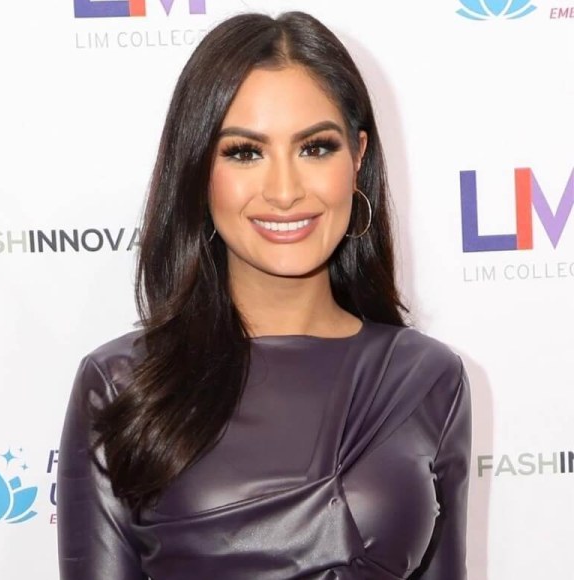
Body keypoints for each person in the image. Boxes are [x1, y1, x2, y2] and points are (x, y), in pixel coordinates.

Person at [57, 10, 471, 580]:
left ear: (358, 157)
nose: (284, 191)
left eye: (315, 148)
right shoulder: (122, 384)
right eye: (244, 152)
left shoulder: (428, 377)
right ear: (199, 170)